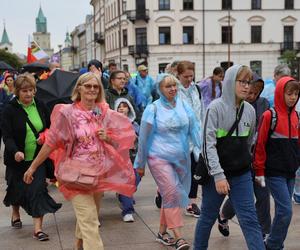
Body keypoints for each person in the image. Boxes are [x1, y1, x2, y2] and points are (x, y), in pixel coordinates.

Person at [23, 72, 136, 250]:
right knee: (91, 221)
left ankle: (79, 246)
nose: (92, 89)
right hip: (76, 176)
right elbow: (51, 142)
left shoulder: (102, 111)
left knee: (88, 217)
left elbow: (121, 139)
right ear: (79, 89)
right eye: (88, 86)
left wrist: (107, 137)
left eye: (95, 86)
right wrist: (33, 167)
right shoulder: (68, 113)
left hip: (98, 175)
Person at [193, 65, 265, 250]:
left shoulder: (249, 110)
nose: (246, 86)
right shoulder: (215, 108)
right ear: (231, 82)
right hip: (216, 175)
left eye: (248, 82)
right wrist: (218, 176)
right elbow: (207, 145)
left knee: (249, 219)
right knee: (208, 217)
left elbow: (249, 143)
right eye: (242, 81)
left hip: (241, 174)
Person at [135, 73, 201, 250]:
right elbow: (143, 138)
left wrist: (201, 152)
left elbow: (195, 128)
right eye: (168, 86)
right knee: (172, 193)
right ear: (160, 89)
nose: (173, 89)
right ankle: (178, 236)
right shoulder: (153, 109)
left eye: (175, 85)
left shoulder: (184, 105)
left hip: (181, 158)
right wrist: (139, 164)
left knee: (169, 195)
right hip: (158, 158)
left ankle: (162, 233)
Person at [2, 73, 61, 241]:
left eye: (31, 90)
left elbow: (50, 128)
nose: (28, 94)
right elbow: (7, 136)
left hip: (37, 158)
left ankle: (38, 230)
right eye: (24, 91)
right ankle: (15, 212)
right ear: (17, 91)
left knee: (37, 191)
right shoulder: (9, 109)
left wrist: (44, 137)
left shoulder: (41, 105)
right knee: (16, 189)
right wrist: (15, 152)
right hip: (17, 160)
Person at [217, 73, 271, 239]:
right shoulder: (230, 105)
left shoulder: (263, 103)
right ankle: (224, 216)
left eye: (256, 93)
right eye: (250, 92)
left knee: (263, 195)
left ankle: (263, 232)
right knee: (239, 196)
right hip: (240, 159)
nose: (252, 96)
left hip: (260, 157)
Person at [253, 76, 300, 250]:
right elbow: (259, 145)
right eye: (289, 93)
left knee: (283, 213)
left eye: (296, 94)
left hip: (290, 173)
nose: (293, 97)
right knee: (286, 211)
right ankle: (273, 244)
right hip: (273, 173)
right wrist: (259, 171)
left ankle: (275, 244)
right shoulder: (269, 116)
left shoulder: (297, 117)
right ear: (281, 93)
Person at [176, 60, 204, 217]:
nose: (189, 79)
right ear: (178, 75)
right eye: (185, 76)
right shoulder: (173, 91)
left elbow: (202, 112)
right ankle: (162, 192)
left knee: (195, 170)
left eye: (191, 76)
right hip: (179, 138)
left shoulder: (197, 89)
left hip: (196, 138)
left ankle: (191, 202)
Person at [114, 98, 141, 222]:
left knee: (135, 179)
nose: (121, 108)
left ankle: (123, 196)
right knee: (127, 184)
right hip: (119, 160)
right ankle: (128, 210)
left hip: (134, 159)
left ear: (129, 109)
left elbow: (142, 140)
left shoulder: (135, 125)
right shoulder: (112, 125)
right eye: (119, 106)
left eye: (124, 106)